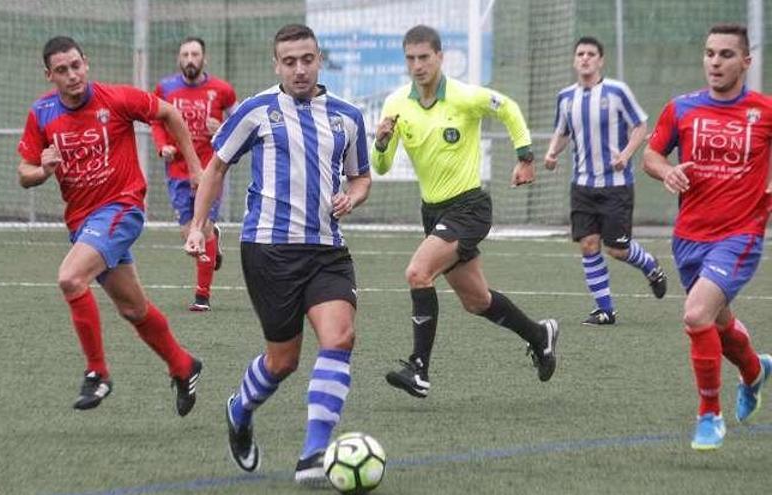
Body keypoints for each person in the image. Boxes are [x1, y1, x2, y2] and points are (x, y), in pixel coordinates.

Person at [184, 24, 371, 486]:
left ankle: (312, 454)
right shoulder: (257, 110)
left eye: (307, 59)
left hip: (328, 249)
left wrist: (354, 196)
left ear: (319, 59)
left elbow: (361, 176)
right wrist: (197, 225)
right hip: (269, 250)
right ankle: (240, 408)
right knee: (283, 361)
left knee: (340, 337)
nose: (300, 69)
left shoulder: (347, 116)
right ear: (277, 65)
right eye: (290, 62)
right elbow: (216, 166)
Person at [17, 36, 203, 416]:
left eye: (76, 66)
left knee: (70, 278)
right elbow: (24, 173)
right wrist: (43, 170)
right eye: (62, 70)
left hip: (122, 208)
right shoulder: (41, 113)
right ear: (49, 75)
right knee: (134, 309)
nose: (72, 75)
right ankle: (183, 365)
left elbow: (168, 113)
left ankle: (98, 373)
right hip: (83, 221)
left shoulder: (115, 99)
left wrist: (196, 167)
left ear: (86, 62)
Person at [372, 25, 559, 399]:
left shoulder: (463, 96)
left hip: (469, 207)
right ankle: (540, 335)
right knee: (478, 302)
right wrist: (380, 143)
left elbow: (508, 108)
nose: (418, 65)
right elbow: (382, 167)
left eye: (425, 57)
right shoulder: (396, 104)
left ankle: (419, 370)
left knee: (417, 272)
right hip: (433, 212)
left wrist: (525, 158)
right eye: (411, 58)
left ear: (440, 57)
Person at [643, 23, 772, 451]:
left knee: (696, 314)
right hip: (689, 238)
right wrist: (667, 171)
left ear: (746, 62)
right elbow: (651, 154)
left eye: (726, 55)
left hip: (740, 236)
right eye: (710, 53)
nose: (715, 62)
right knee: (717, 323)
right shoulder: (681, 109)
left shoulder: (764, 111)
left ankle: (709, 415)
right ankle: (754, 371)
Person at [544, 36, 667, 326]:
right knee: (588, 244)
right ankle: (605, 310)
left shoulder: (616, 91)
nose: (585, 58)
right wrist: (551, 153)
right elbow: (562, 132)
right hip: (582, 186)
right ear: (575, 60)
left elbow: (640, 124)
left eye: (591, 54)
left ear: (600, 60)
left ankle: (651, 266)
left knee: (617, 249)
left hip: (616, 185)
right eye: (580, 54)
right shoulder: (566, 97)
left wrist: (626, 153)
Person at [151, 36, 237, 312]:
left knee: (204, 230)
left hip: (211, 169)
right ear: (179, 59)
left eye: (195, 54)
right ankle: (214, 244)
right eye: (185, 54)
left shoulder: (222, 90)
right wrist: (162, 145)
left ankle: (202, 296)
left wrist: (221, 128)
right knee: (189, 234)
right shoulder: (164, 89)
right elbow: (156, 121)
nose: (190, 59)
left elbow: (239, 124)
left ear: (204, 59)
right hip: (177, 170)